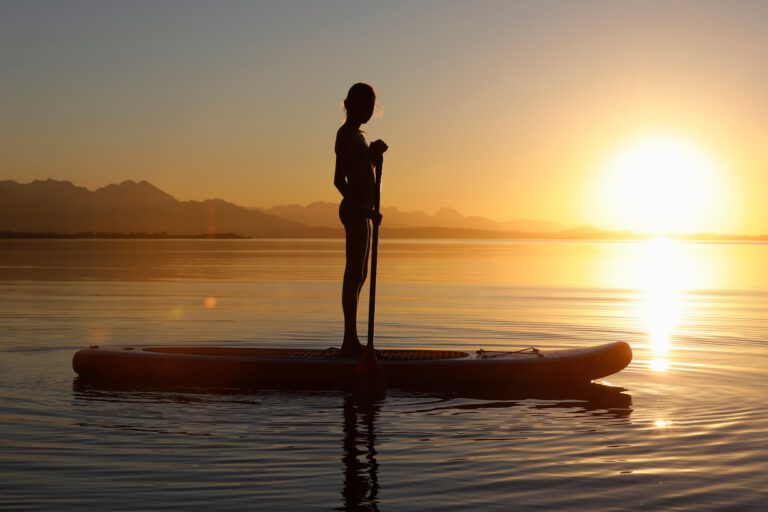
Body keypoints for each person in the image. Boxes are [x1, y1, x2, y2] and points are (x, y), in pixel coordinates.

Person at [334, 83, 388, 357]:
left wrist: (375, 156)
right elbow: (338, 180)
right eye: (361, 104)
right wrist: (358, 206)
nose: (366, 110)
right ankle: (349, 342)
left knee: (361, 275)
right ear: (348, 104)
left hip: (364, 212)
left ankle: (352, 340)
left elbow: (367, 174)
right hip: (355, 212)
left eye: (370, 105)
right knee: (353, 273)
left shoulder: (360, 138)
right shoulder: (344, 135)